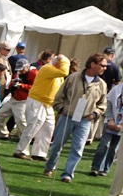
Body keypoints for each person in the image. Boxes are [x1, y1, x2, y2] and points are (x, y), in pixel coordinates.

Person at [42, 53, 108, 183]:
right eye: (103, 65)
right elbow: (59, 96)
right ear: (93, 64)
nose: (105, 68)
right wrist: (61, 109)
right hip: (68, 117)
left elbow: (102, 104)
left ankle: (68, 173)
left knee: (78, 148)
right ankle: (50, 167)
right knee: (57, 145)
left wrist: (94, 114)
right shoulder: (73, 78)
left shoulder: (101, 84)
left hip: (85, 119)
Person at [89, 80, 122, 176]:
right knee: (104, 145)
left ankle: (105, 169)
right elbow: (108, 104)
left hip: (121, 127)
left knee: (114, 149)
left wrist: (121, 125)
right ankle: (95, 167)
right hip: (110, 123)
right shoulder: (116, 89)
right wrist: (111, 119)